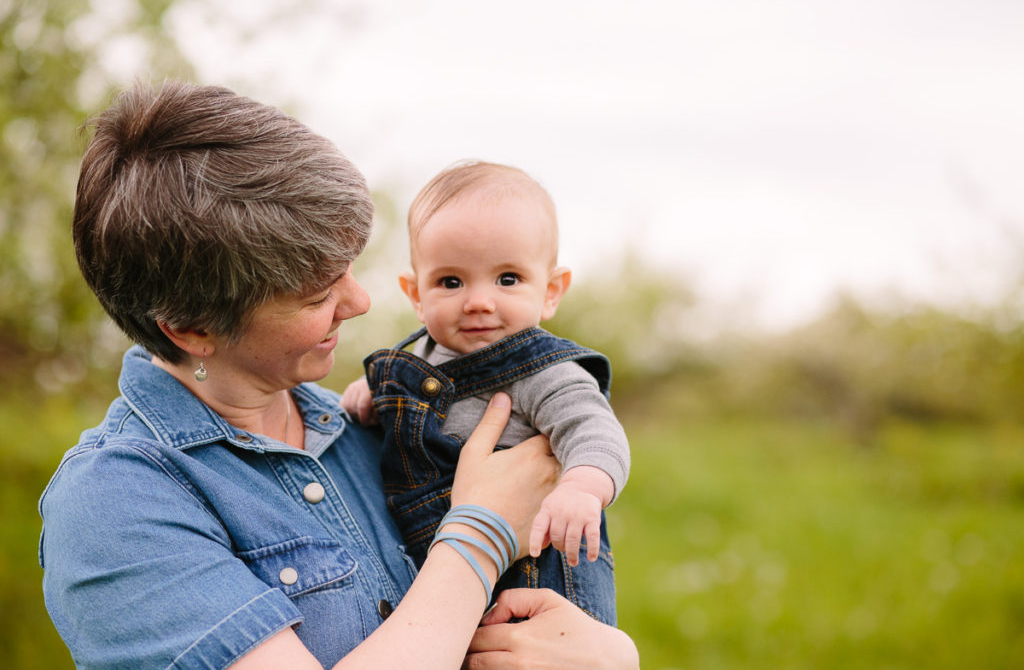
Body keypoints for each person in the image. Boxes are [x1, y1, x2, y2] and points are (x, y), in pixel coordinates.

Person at [38, 80, 638, 669]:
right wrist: (480, 535)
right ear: (191, 328)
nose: (359, 302)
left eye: (348, 268)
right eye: (317, 293)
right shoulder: (115, 505)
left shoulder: (372, 429)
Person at [341, 161, 629, 625]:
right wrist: (373, 392)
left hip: (533, 579)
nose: (478, 300)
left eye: (508, 279)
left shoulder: (543, 372)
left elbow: (594, 430)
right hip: (436, 578)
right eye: (450, 282)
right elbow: (411, 394)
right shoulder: (416, 365)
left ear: (551, 290)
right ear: (415, 293)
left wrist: (581, 487)